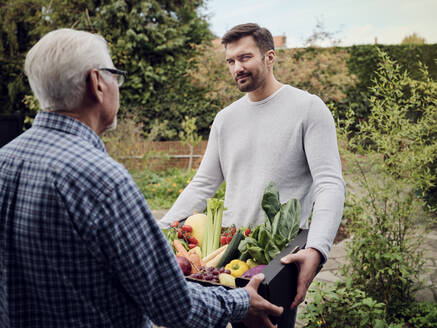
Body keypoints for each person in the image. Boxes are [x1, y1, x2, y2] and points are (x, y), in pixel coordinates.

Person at [0, 28, 284, 328]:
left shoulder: (5, 160)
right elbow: (173, 305)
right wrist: (239, 302)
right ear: (97, 82)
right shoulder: (102, 180)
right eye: (115, 75)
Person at [159, 23, 346, 315]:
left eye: (245, 58)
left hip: (277, 258)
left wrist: (317, 249)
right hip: (227, 252)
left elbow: (330, 183)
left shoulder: (308, 108)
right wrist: (163, 227)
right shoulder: (226, 119)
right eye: (231, 61)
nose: (236, 68)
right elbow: (203, 183)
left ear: (270, 57)